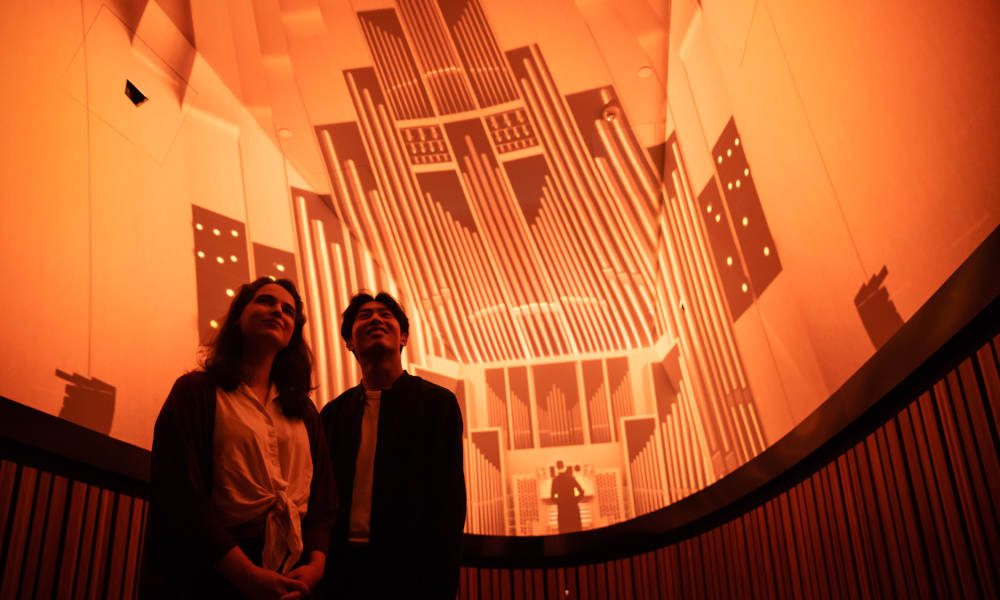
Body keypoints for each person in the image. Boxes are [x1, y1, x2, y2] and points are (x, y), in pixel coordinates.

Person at [140, 278, 336, 599]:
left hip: (290, 571)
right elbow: (180, 492)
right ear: (237, 317)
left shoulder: (304, 411)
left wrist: (315, 565)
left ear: (292, 334)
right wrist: (245, 575)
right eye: (265, 302)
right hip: (210, 570)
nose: (277, 311)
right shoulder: (196, 392)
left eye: (288, 310)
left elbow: (323, 498)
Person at [317, 292, 466, 599]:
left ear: (404, 338)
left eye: (386, 315)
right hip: (342, 571)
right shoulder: (333, 414)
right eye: (364, 315)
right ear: (349, 342)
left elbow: (449, 501)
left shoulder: (438, 404)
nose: (375, 319)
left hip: (412, 572)